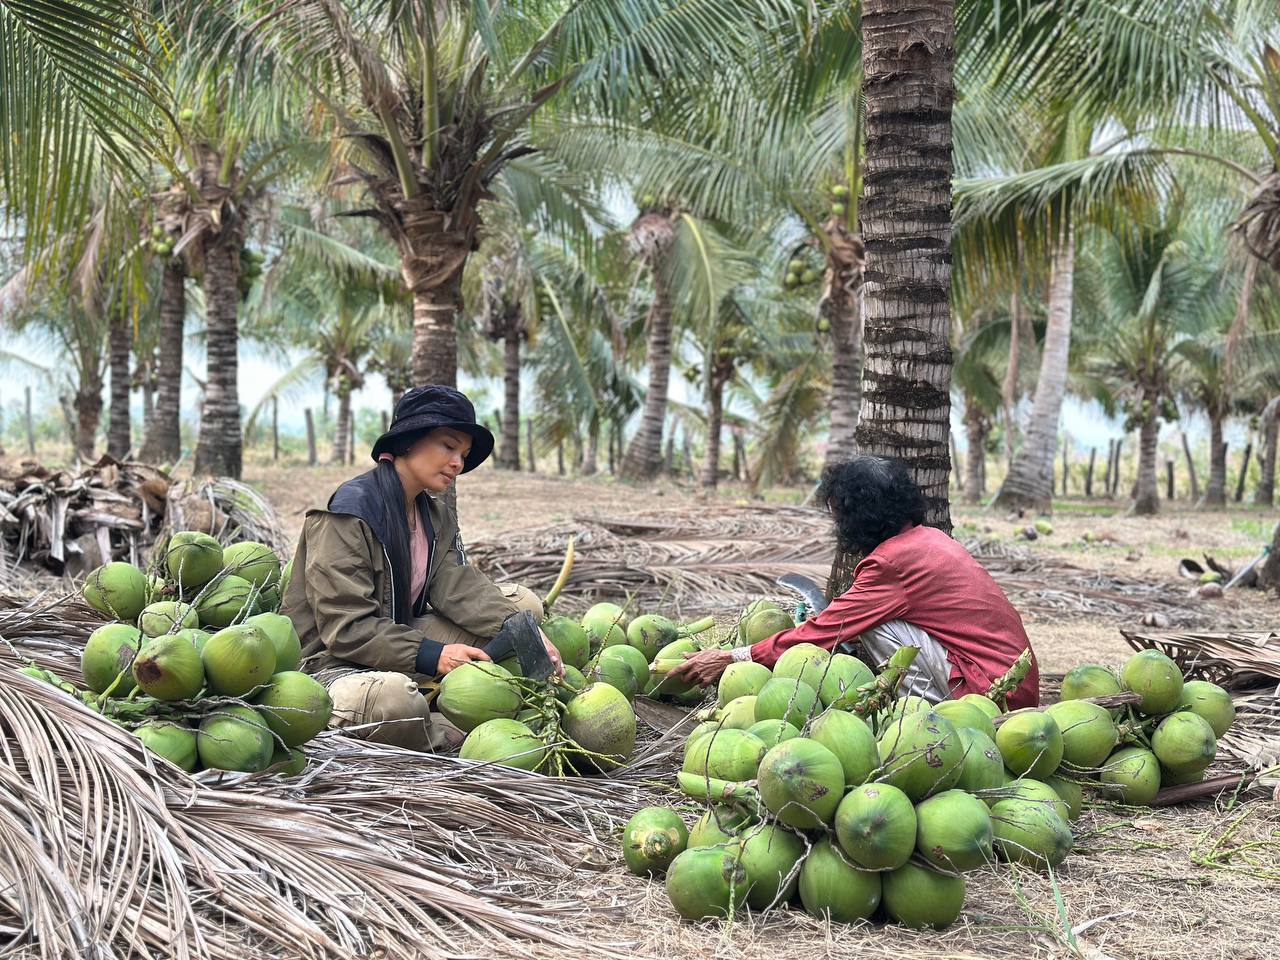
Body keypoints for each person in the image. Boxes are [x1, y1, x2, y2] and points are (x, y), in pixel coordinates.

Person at [282, 384, 562, 751]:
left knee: (522, 611)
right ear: (409, 441)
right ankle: (444, 734)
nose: (458, 463)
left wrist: (522, 630)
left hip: (396, 639)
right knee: (395, 702)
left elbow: (457, 586)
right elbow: (346, 628)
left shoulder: (433, 514)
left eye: (463, 455)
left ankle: (449, 702)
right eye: (448, 446)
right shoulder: (349, 512)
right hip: (334, 663)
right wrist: (435, 655)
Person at [670, 456, 1039, 707]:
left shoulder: (891, 563)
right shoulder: (928, 539)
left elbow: (829, 629)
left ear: (857, 516)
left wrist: (732, 657)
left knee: (876, 625)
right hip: (1014, 684)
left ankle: (926, 717)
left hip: (991, 694)